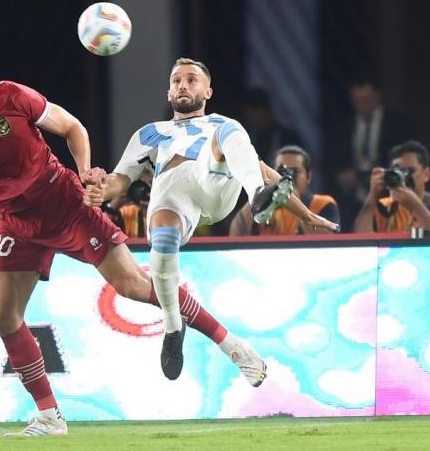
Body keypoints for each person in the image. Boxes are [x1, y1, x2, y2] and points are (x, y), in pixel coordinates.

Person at [0, 52, 316, 437]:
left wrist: (84, 172)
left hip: (65, 203)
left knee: (137, 287)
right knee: (3, 316)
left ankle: (233, 346)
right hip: (17, 222)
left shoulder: (12, 97)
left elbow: (72, 127)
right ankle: (48, 416)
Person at [83, 57, 338, 385]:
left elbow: (265, 171)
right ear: (168, 92)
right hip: (175, 202)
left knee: (229, 132)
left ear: (208, 90)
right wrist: (103, 188)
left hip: (216, 184)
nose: (183, 85)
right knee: (160, 248)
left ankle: (258, 199)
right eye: (177, 81)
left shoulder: (223, 127)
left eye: (191, 79)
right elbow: (121, 180)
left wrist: (304, 213)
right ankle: (173, 327)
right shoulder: (149, 134)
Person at [327, 77, 412, 230]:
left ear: (377, 96)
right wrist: (342, 176)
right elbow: (333, 162)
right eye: (357, 101)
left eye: (366, 100)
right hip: (351, 201)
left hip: (388, 197)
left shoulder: (397, 124)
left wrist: (369, 176)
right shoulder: (343, 126)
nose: (362, 105)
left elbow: (405, 161)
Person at [354, 140, 430, 233]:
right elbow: (360, 245)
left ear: (426, 174)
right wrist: (372, 196)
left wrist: (416, 207)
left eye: (410, 171)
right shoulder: (384, 207)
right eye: (398, 171)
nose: (404, 176)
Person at [230, 145, 340, 235]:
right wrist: (258, 200)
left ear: (308, 177)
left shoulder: (322, 203)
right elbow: (235, 234)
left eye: (295, 171)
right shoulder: (266, 204)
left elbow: (331, 243)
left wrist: (295, 205)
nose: (289, 176)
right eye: (281, 171)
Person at [241, 86, 306, 160]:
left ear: (267, 110)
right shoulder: (243, 139)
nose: (252, 116)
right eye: (249, 112)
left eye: (255, 110)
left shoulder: (288, 138)